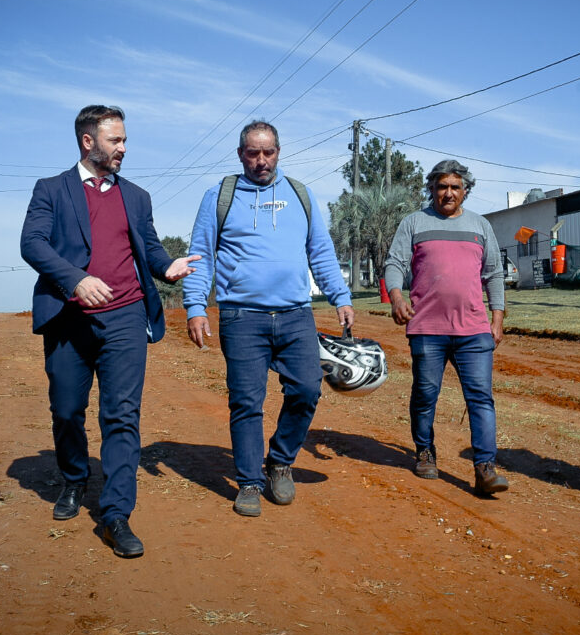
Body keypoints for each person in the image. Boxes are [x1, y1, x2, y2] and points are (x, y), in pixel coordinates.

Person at [20, 105, 199, 557]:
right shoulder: (51, 190)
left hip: (125, 317)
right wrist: (75, 279)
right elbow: (32, 243)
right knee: (66, 409)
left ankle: (116, 513)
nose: (124, 148)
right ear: (88, 141)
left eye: (124, 140)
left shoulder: (136, 196)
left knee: (121, 416)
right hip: (68, 316)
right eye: (115, 140)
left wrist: (168, 268)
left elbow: (150, 248)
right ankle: (75, 479)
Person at [184, 119, 354, 517]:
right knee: (247, 402)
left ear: (279, 151)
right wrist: (195, 307)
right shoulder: (219, 196)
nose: (261, 160)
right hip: (242, 317)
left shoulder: (300, 194)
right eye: (253, 153)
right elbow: (200, 255)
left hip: (296, 315)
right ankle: (248, 482)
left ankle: (279, 461)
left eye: (268, 152)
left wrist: (341, 296)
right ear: (241, 153)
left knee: (307, 390)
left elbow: (321, 253)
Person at [384, 159, 509, 496]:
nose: (448, 193)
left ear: (465, 190)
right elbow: (394, 264)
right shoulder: (414, 222)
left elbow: (494, 274)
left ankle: (485, 467)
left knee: (481, 398)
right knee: (426, 395)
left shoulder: (481, 226)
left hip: (473, 328)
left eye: (455, 187)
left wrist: (497, 318)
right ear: (432, 189)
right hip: (427, 327)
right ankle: (424, 451)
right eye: (442, 187)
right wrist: (397, 297)